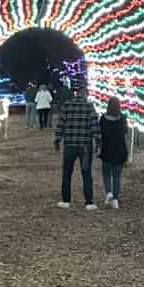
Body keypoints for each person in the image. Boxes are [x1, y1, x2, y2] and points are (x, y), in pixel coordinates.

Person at [54, 81, 100, 209]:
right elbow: (94, 125)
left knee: (67, 173)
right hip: (85, 146)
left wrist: (57, 139)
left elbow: (61, 124)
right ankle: (89, 202)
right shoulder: (89, 106)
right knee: (86, 173)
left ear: (76, 93)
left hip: (69, 144)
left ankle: (66, 200)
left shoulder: (67, 105)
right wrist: (98, 141)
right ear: (85, 94)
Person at [98, 96, 129, 209]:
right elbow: (126, 131)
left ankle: (108, 193)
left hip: (106, 150)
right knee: (117, 176)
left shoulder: (103, 118)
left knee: (106, 174)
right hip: (120, 150)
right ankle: (115, 199)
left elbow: (99, 132)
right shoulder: (122, 118)